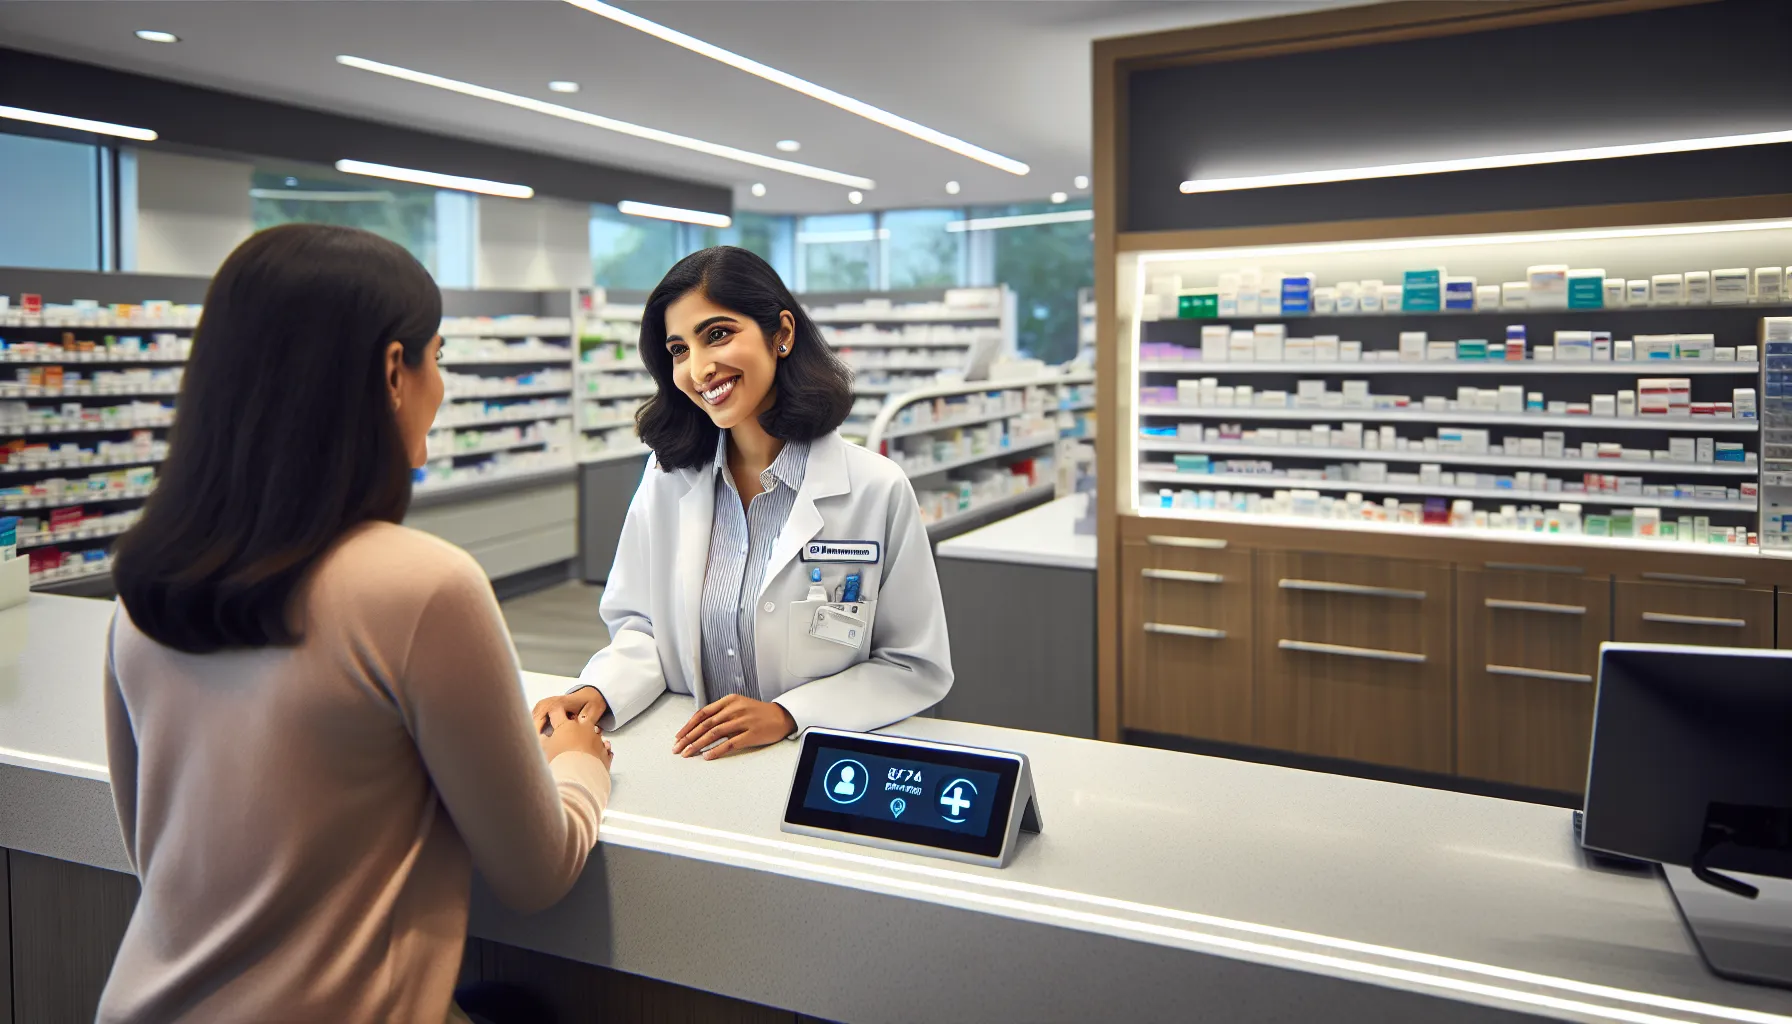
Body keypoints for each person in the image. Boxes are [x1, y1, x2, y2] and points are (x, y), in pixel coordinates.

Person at [100, 224, 612, 1024]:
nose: (440, 387)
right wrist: (580, 767)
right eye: (436, 358)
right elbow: (536, 873)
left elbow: (150, 850)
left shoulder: (145, 586)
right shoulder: (422, 586)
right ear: (391, 373)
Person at [535, 246, 951, 758]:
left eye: (717, 334)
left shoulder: (875, 488)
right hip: (696, 761)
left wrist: (790, 715)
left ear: (782, 333)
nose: (699, 368)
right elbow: (640, 627)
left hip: (818, 766)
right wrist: (598, 690)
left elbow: (913, 665)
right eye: (679, 350)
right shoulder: (668, 479)